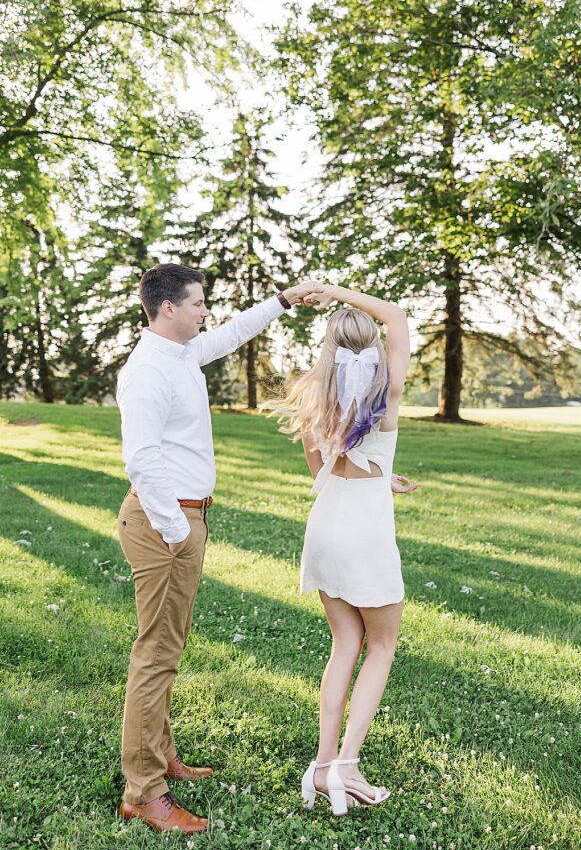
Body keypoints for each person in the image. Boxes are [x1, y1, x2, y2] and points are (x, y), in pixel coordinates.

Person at [116, 262, 323, 834]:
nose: (207, 311)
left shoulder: (180, 353)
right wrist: (178, 531)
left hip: (185, 518)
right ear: (167, 309)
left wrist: (283, 300)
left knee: (168, 646)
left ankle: (161, 758)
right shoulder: (147, 371)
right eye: (199, 303)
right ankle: (143, 791)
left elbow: (232, 333)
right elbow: (142, 459)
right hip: (165, 524)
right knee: (155, 655)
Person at [267, 284, 415, 816]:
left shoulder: (315, 398)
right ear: (374, 344)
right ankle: (347, 768)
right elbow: (394, 311)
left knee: (344, 644)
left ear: (329, 348)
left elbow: (324, 470)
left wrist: (379, 477)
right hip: (366, 532)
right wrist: (333, 290)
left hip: (326, 527)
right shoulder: (389, 387)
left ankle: (323, 763)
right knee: (381, 647)